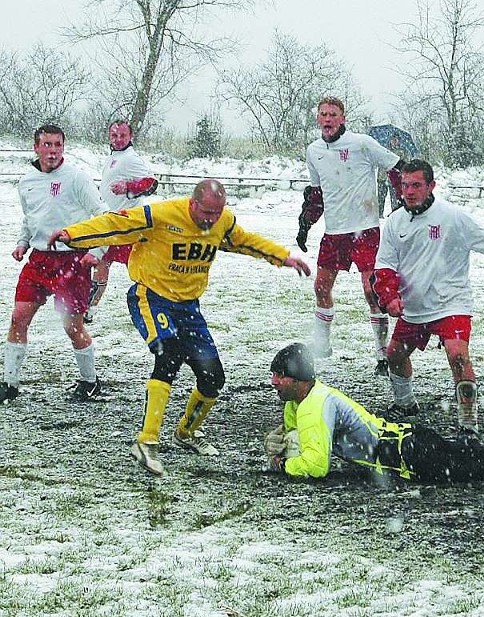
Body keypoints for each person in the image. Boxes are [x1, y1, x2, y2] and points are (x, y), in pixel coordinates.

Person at [48, 179, 310, 477]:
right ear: (192, 203)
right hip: (151, 296)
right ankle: (146, 441)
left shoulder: (223, 221)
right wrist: (73, 234)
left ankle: (186, 432)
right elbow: (115, 223)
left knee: (213, 378)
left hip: (189, 308)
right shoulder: (161, 215)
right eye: (207, 212)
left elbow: (244, 240)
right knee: (168, 354)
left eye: (217, 213)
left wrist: (283, 257)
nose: (211, 220)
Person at [264, 343, 484, 482]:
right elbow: (299, 430)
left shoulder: (312, 406)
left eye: (278, 377)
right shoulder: (309, 398)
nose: (274, 384)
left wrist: (284, 464)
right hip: (413, 446)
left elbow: (315, 467)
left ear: (294, 378)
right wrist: (286, 438)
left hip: (416, 457)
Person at [372, 159, 484, 431]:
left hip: (450, 303)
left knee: (457, 355)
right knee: (394, 356)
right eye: (405, 185)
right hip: (415, 306)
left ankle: (468, 424)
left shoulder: (452, 217)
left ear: (431, 186)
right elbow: (384, 266)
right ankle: (406, 404)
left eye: (416, 185)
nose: (409, 191)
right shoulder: (395, 222)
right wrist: (389, 296)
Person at [0, 124, 109, 405]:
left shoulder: (77, 179)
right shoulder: (26, 182)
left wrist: (96, 250)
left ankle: (90, 382)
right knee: (18, 317)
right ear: (36, 147)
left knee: (73, 328)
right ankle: (10, 383)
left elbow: (105, 217)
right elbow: (31, 217)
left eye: (57, 145)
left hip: (71, 260)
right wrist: (23, 243)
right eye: (47, 145)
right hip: (39, 260)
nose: (52, 151)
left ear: (64, 147)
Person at [297, 97, 405, 376]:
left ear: (343, 118)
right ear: (318, 119)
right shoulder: (314, 150)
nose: (328, 119)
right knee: (321, 287)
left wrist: (403, 206)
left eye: (333, 114)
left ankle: (382, 354)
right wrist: (305, 224)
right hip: (334, 234)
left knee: (372, 292)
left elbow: (396, 167)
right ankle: (323, 344)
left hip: (366, 230)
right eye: (323, 114)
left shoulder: (362, 143)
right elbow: (317, 194)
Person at [84, 120, 158, 323]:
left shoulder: (131, 158)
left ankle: (156, 302)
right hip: (110, 220)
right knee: (101, 263)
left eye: (122, 136)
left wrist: (129, 187)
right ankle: (89, 310)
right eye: (114, 136)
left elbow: (152, 184)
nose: (118, 139)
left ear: (130, 137)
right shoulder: (114, 157)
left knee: (136, 268)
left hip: (126, 224)